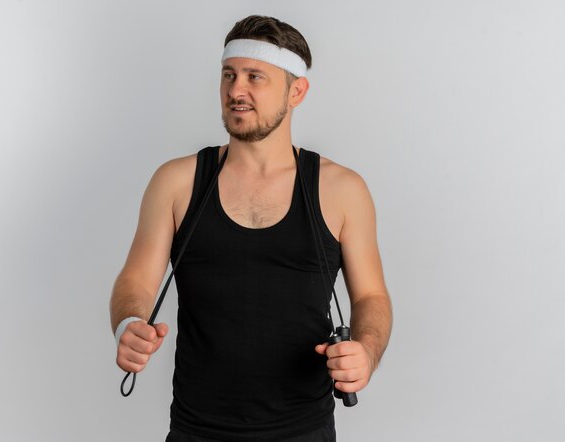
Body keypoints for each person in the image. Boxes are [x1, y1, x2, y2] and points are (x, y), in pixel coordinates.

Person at [110, 15, 392, 442]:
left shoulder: (342, 189)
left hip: (304, 429)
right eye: (229, 75)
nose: (235, 91)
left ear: (296, 91)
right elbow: (135, 280)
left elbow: (371, 296)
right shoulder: (177, 182)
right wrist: (128, 323)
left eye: (254, 77)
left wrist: (366, 352)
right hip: (196, 430)